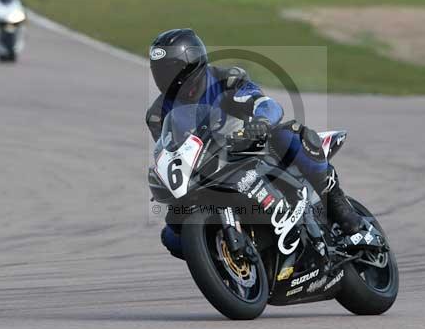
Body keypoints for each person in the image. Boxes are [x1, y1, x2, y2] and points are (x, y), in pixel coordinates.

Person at [146, 28, 374, 260]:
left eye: (171, 70)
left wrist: (261, 122)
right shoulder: (156, 114)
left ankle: (346, 216)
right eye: (160, 72)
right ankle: (228, 262)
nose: (166, 78)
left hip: (249, 150)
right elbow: (171, 150)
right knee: (172, 234)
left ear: (192, 64)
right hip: (207, 171)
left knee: (288, 135)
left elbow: (264, 103)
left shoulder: (227, 79)